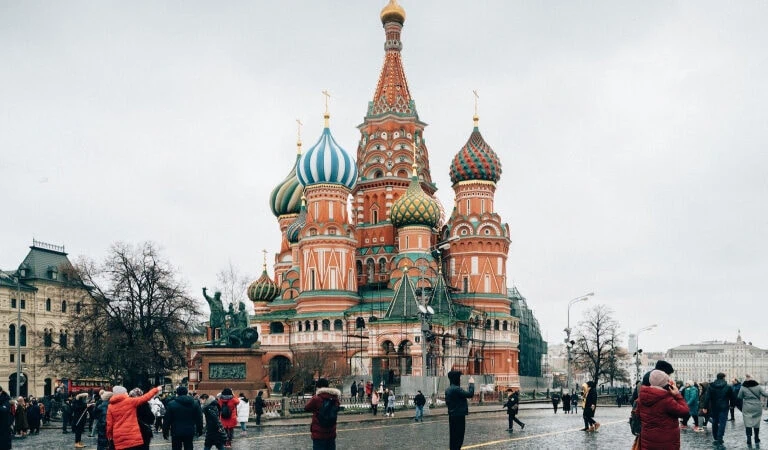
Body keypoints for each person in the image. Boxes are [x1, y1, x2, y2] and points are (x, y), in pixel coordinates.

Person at [636, 369, 689, 449]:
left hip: (647, 442)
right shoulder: (666, 400)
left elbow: (638, 416)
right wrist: (677, 395)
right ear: (665, 383)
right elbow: (685, 411)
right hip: (666, 444)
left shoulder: (641, 398)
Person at [106, 385, 161, 450]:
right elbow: (145, 397)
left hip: (119, 436)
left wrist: (109, 435)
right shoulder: (130, 401)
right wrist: (156, 389)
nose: (127, 393)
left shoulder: (110, 406)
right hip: (132, 435)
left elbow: (109, 424)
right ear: (123, 393)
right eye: (126, 392)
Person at [304, 378, 341, 450]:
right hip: (331, 432)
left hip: (319, 433)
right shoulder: (335, 398)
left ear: (318, 387)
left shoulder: (316, 398)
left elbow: (306, 408)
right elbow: (337, 408)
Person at [445, 370, 475, 450]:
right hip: (459, 416)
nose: (460, 379)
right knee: (459, 437)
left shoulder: (448, 389)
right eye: (459, 378)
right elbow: (470, 394)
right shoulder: (456, 389)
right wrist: (471, 384)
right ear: (456, 379)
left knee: (453, 437)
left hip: (452, 415)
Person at [702, 372, 734, 445]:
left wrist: (705, 407)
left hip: (714, 406)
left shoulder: (711, 386)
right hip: (724, 406)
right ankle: (720, 436)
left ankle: (715, 436)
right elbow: (732, 397)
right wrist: (732, 405)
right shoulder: (728, 386)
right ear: (723, 377)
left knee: (715, 421)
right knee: (722, 422)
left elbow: (707, 397)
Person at [737, 374, 768, 445]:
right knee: (757, 422)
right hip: (757, 406)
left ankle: (749, 438)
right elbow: (765, 394)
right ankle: (756, 438)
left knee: (747, 422)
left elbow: (739, 396)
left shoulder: (743, 387)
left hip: (747, 407)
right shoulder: (758, 386)